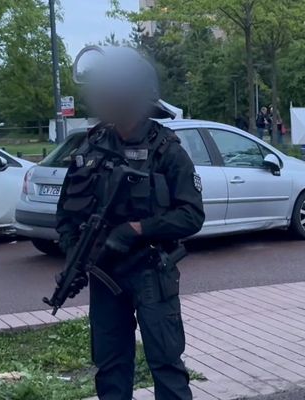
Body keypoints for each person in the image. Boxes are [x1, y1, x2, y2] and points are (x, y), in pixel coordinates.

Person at [57, 46, 205, 400]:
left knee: (166, 366)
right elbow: (65, 213)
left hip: (151, 271)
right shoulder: (92, 145)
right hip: (105, 275)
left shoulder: (166, 149)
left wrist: (137, 229)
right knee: (110, 367)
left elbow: (192, 215)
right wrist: (77, 252)